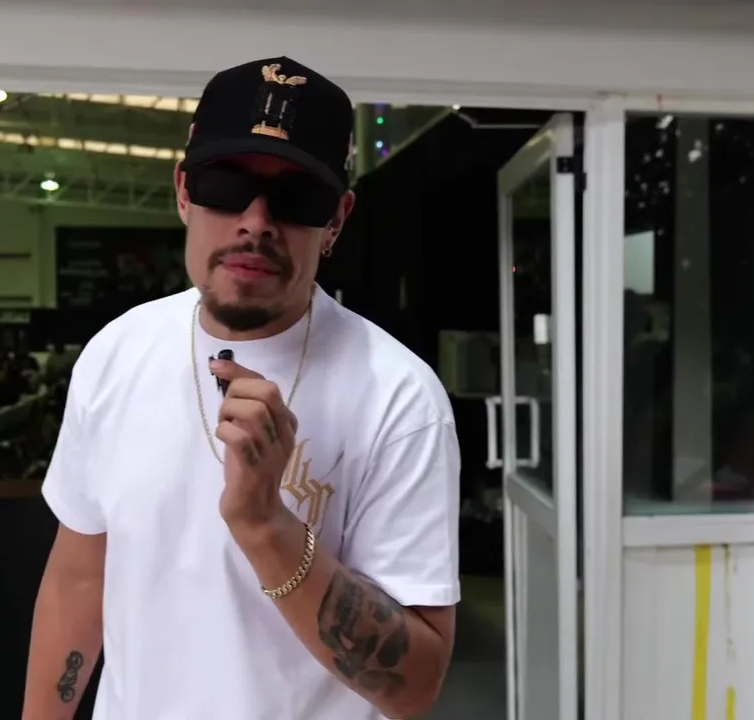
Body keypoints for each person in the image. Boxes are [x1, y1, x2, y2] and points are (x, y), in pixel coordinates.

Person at [23, 57, 459, 719]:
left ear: (336, 218)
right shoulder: (117, 353)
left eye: (296, 197)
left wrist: (265, 524)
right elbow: (79, 579)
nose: (256, 220)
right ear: (183, 191)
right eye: (227, 184)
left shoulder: (399, 399)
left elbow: (416, 684)